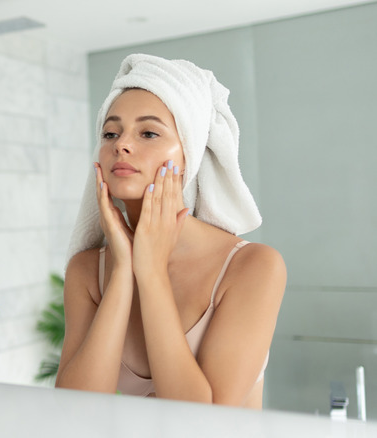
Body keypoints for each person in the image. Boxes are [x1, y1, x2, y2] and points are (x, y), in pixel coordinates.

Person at [55, 54, 286, 408]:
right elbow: (73, 410)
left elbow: (204, 422)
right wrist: (122, 275)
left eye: (148, 132)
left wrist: (150, 273)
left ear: (189, 153)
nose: (121, 145)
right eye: (110, 132)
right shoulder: (87, 272)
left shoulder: (252, 267)